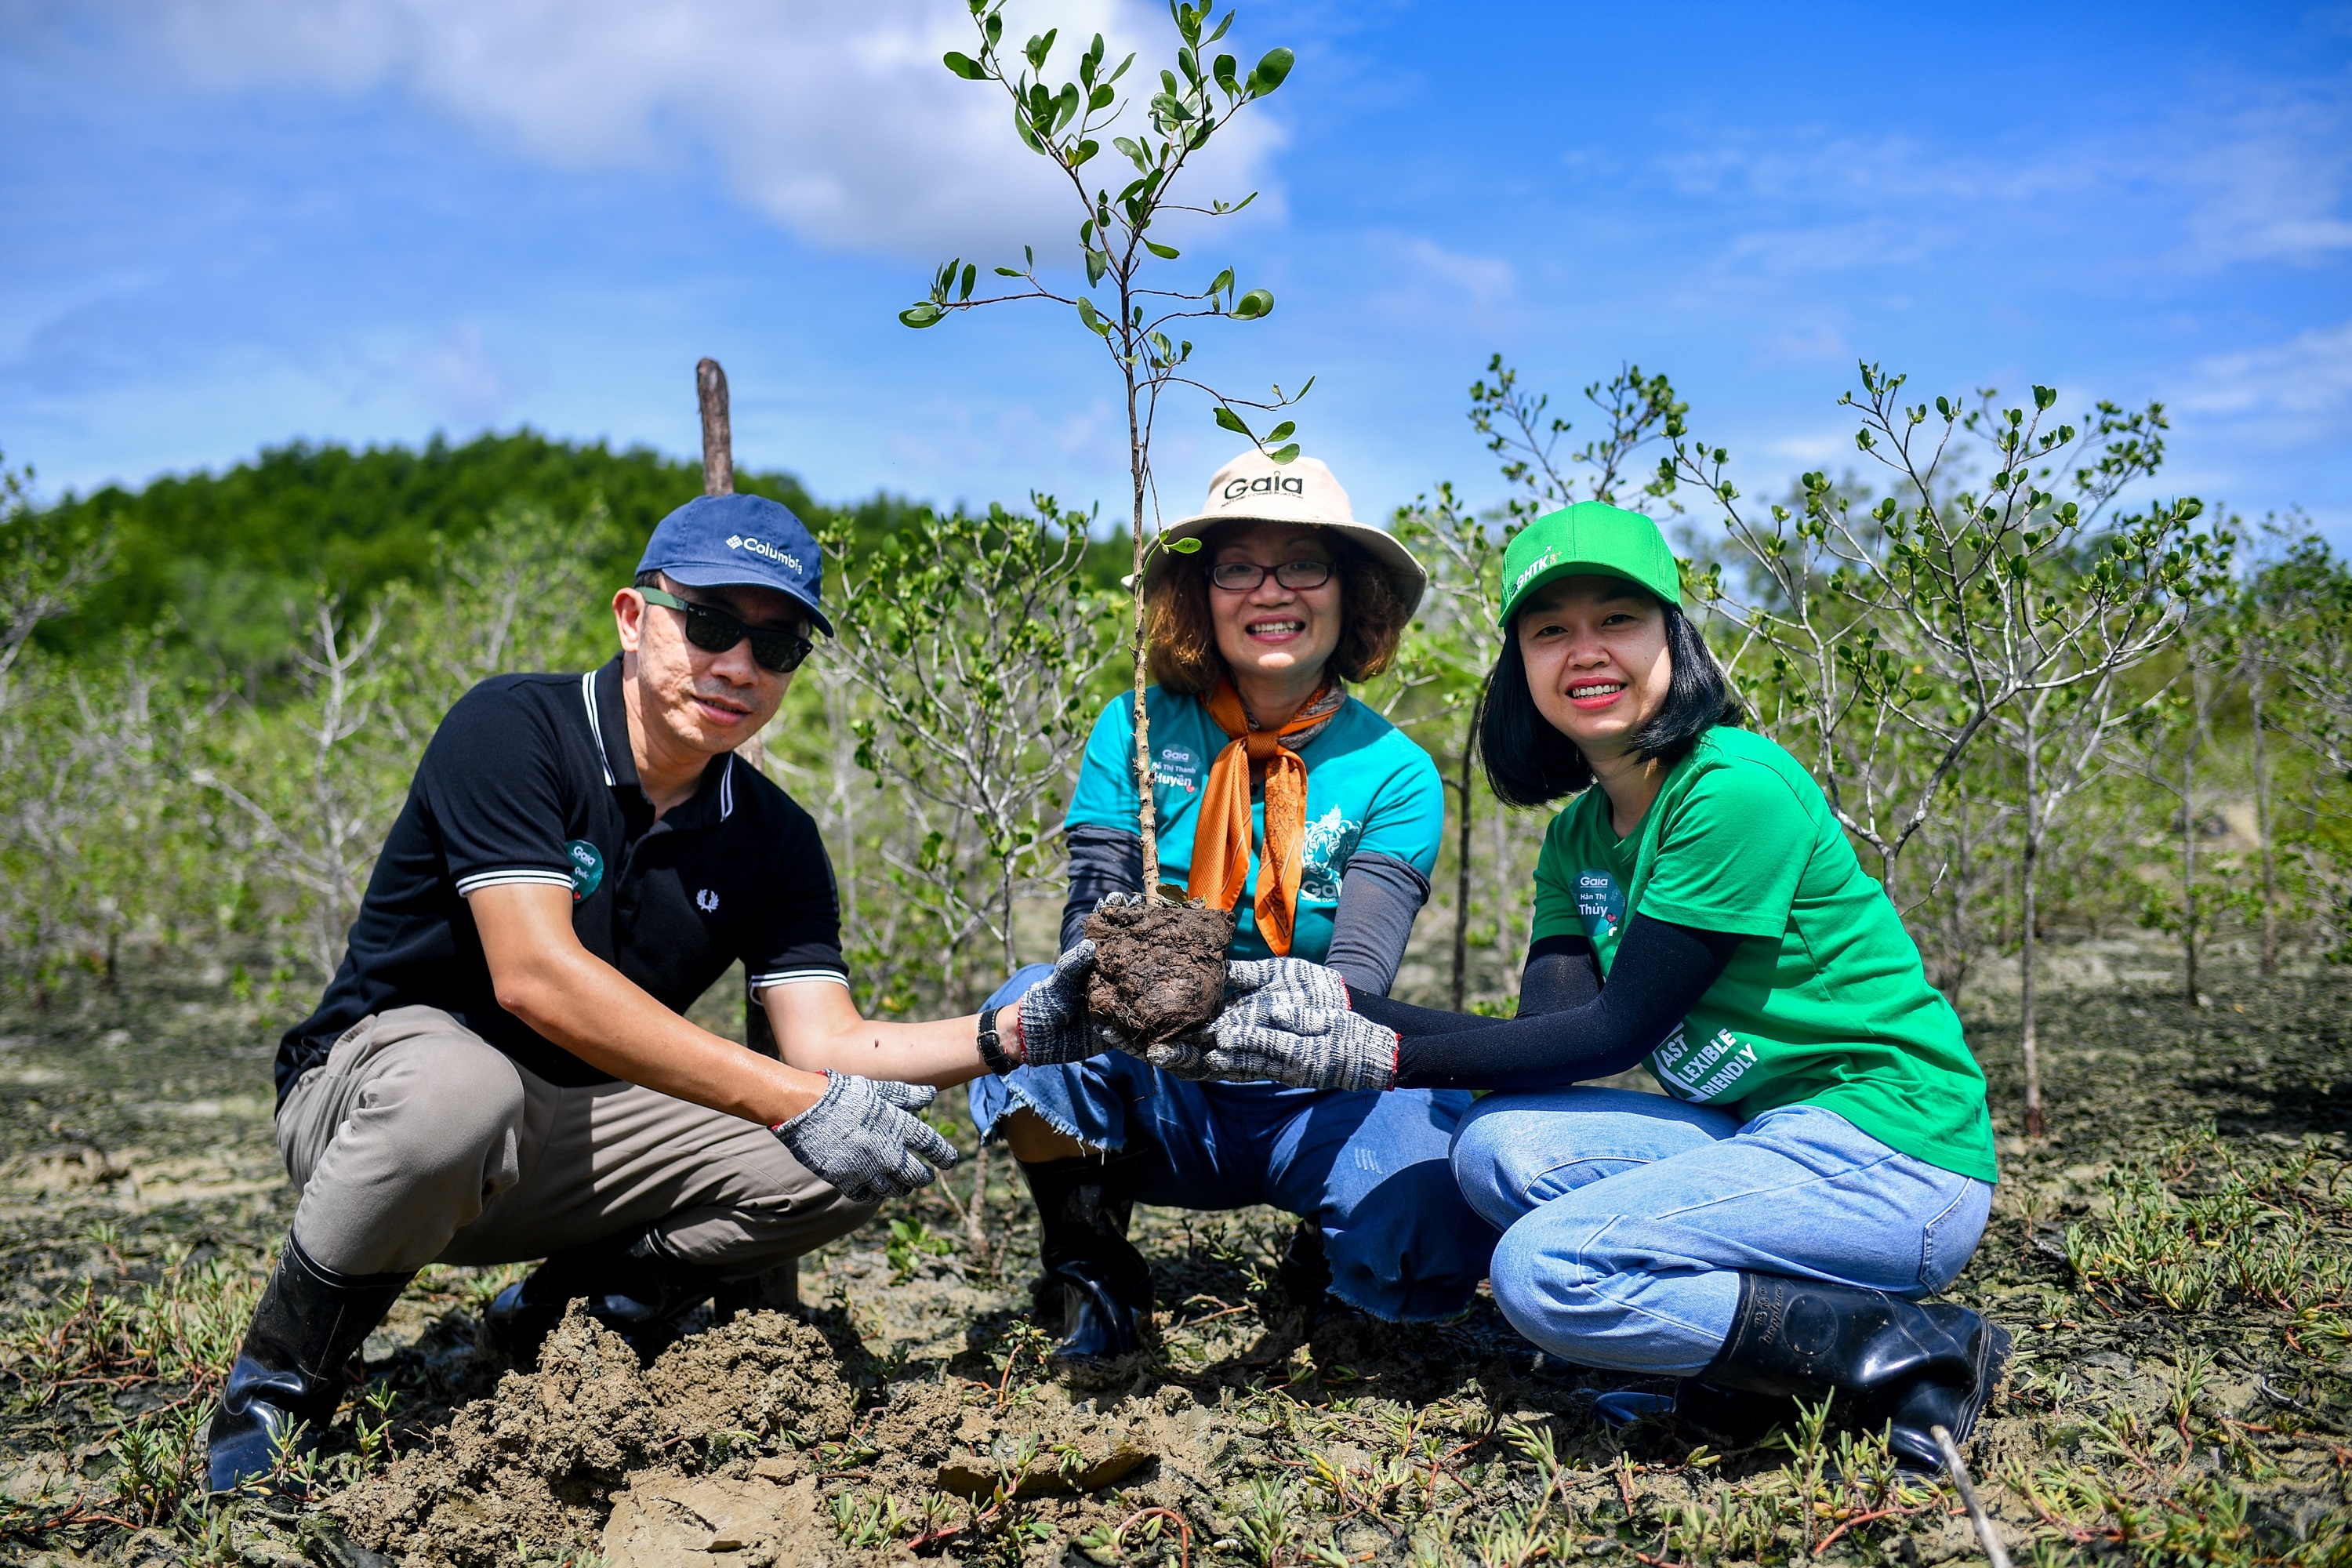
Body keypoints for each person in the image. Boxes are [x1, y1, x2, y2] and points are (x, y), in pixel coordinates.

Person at [210, 492, 1105, 1492]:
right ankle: (275, 1401)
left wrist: (1016, 1031)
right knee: (467, 1093)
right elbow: (536, 979)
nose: (739, 666)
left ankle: (570, 1321)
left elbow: (826, 1043)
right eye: (712, 623)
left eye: (776, 646)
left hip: (577, 1132)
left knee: (862, 1142)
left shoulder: (776, 836)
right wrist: (790, 1095)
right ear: (633, 617)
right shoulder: (514, 729)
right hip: (385, 1103)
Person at [1150, 500, 2008, 1469]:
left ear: (1674, 639)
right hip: (1769, 1137)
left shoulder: (1732, 788)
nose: (1586, 651)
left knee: (1545, 1269)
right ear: (1519, 664)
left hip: (1893, 1154)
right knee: (1496, 1147)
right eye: (1550, 630)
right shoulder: (1578, 836)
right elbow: (1548, 1039)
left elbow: (1613, 1031)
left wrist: (1354, 1039)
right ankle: (1756, 1364)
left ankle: (1911, 1354)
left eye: (1618, 620)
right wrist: (1309, 1008)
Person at [969, 449, 1499, 1367]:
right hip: (1164, 1078)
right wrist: (1131, 992)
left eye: (1304, 562)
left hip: (1315, 1082)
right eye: (1237, 567)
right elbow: (1087, 910)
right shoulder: (1134, 725)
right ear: (1197, 592)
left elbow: (1361, 975)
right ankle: (1090, 1263)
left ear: (1351, 590)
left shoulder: (1396, 771)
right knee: (1025, 1015)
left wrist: (1264, 1013)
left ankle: (1334, 1263)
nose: (1271, 591)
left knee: (1428, 1209)